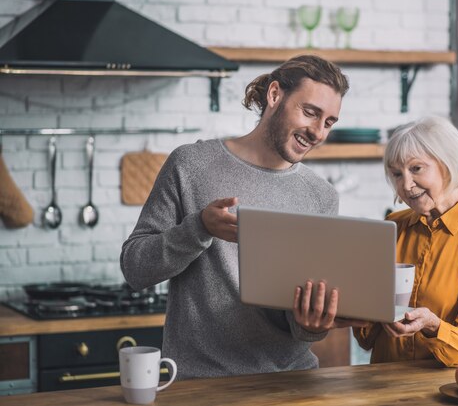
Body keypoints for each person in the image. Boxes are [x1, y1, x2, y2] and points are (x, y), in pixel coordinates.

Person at [120, 55, 365, 379]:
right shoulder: (190, 165)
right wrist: (198, 228)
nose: (318, 132)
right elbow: (135, 269)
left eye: (329, 122)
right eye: (310, 113)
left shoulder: (320, 196)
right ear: (275, 95)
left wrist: (311, 324)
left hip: (291, 383)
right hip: (202, 384)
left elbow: (299, 325)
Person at [353, 116, 458, 366]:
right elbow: (365, 338)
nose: (406, 185)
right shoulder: (393, 226)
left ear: (448, 164)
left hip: (448, 390)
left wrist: (433, 326)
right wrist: (360, 299)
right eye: (396, 174)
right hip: (381, 384)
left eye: (416, 168)